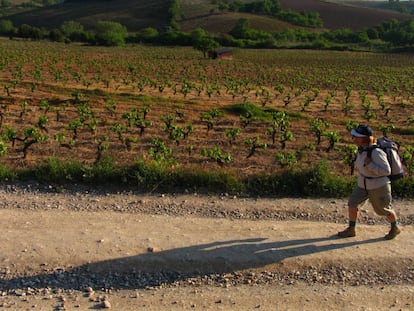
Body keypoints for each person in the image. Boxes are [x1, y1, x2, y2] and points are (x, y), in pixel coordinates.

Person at [338, 124, 401, 240]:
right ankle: (351, 229)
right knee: (352, 203)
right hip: (363, 184)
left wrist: (370, 165)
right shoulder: (362, 149)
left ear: (364, 138)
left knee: (383, 210)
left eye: (357, 136)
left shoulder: (376, 152)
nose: (354, 138)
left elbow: (386, 171)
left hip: (379, 185)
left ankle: (395, 228)